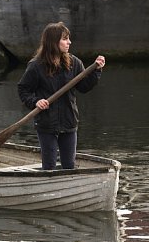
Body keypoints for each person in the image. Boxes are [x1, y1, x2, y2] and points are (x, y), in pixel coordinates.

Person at [17, 21, 106, 170]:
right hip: (46, 123)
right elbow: (23, 90)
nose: (69, 42)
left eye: (68, 38)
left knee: (69, 166)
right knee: (49, 166)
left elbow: (84, 87)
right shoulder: (36, 66)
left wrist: (96, 71)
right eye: (65, 39)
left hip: (69, 121)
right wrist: (36, 101)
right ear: (53, 42)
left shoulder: (73, 62)